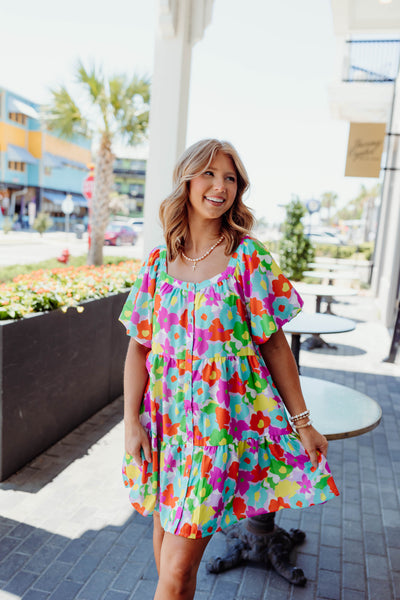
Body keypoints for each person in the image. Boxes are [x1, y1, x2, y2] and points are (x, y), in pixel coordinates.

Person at [119, 139, 339, 600]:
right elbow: (138, 351)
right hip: (165, 431)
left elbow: (276, 344)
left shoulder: (248, 257)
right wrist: (130, 428)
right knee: (165, 557)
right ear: (187, 180)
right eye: (209, 174)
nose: (219, 186)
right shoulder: (159, 263)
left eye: (230, 177)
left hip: (217, 435)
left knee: (177, 573)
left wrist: (303, 424)